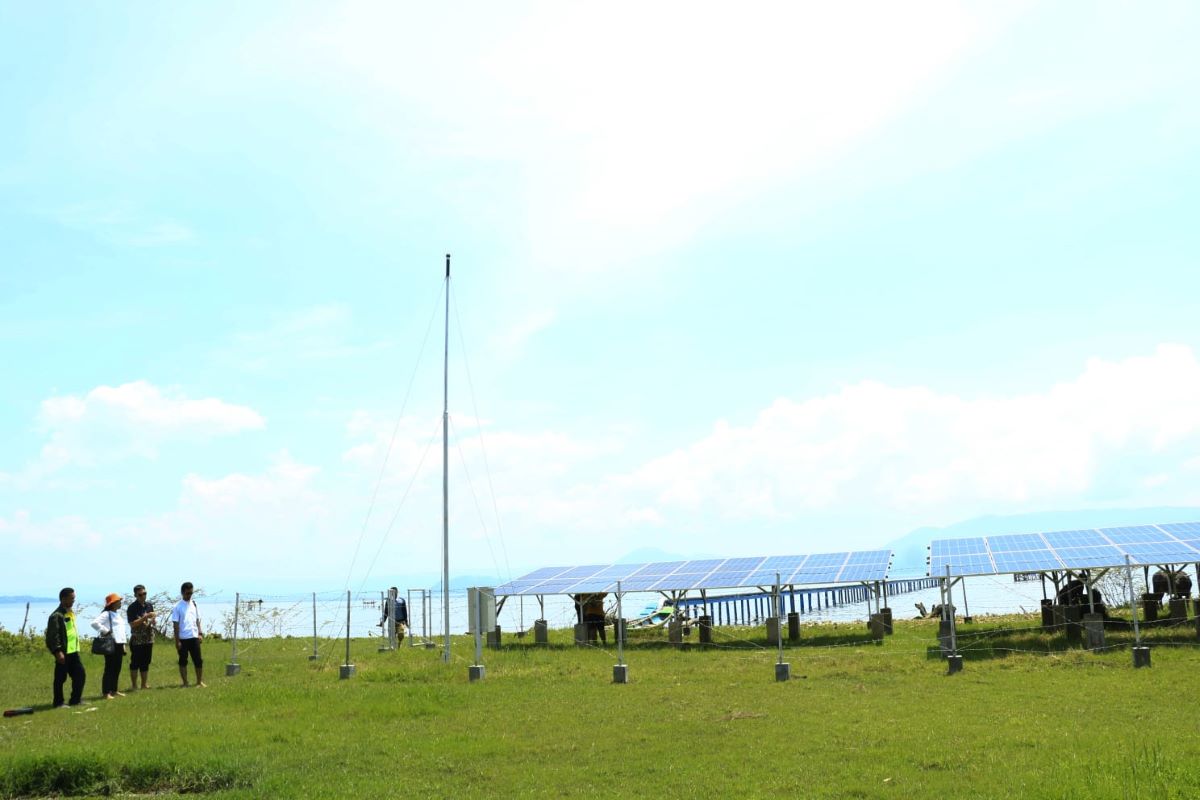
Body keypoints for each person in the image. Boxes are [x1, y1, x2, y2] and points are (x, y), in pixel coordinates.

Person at [46, 587, 86, 708]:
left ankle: (75, 700)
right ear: (64, 599)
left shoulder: (70, 612)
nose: (74, 600)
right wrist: (58, 652)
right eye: (71, 598)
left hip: (73, 651)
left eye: (74, 598)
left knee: (80, 675)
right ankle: (58, 702)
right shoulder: (56, 615)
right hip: (63, 652)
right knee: (60, 678)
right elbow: (53, 636)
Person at [91, 593, 129, 700]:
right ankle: (106, 692)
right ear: (112, 603)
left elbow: (120, 631)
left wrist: (123, 644)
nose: (120, 602)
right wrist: (106, 631)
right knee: (110, 668)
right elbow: (94, 623)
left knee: (117, 668)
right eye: (118, 601)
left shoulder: (117, 614)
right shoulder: (106, 614)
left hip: (119, 644)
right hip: (111, 643)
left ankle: (114, 690)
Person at [170, 582, 205, 688]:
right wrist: (177, 641)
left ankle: (199, 682)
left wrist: (200, 633)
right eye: (187, 593)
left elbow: (197, 620)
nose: (189, 595)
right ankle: (185, 683)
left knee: (198, 660)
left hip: (194, 637)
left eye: (191, 593)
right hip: (183, 638)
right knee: (183, 661)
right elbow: (175, 625)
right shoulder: (177, 606)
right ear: (182, 593)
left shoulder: (194, 604)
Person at [126, 584, 157, 691]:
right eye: (140, 594)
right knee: (135, 662)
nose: (143, 596)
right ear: (135, 595)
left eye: (145, 593)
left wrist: (153, 620)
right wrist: (145, 617)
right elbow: (132, 624)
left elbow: (151, 620)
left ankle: (144, 684)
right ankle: (134, 685)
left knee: (146, 662)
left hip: (148, 638)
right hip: (137, 639)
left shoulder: (149, 605)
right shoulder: (132, 608)